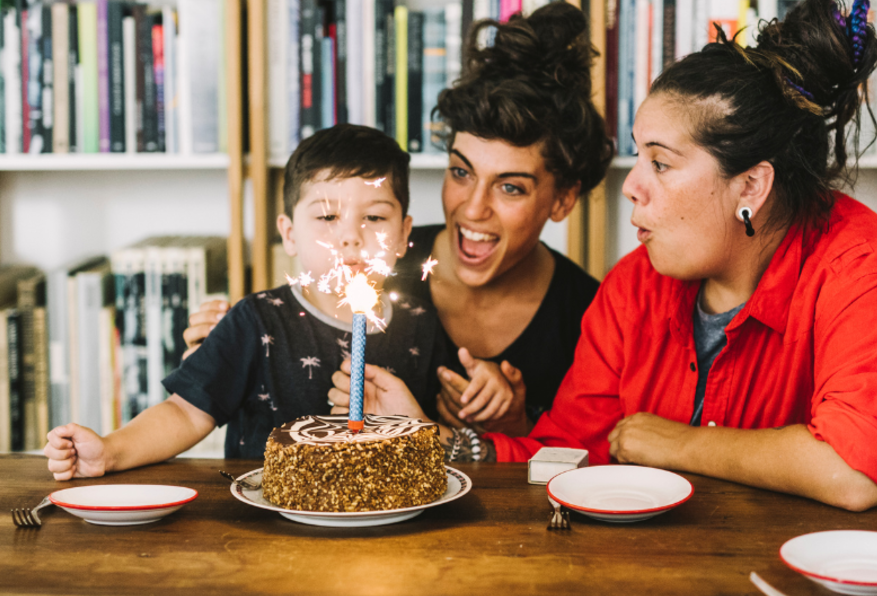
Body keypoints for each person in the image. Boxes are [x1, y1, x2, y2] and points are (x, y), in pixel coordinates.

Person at [326, 0, 877, 511]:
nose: (631, 184)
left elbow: (855, 470)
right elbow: (567, 453)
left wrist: (673, 442)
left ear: (752, 186)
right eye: (637, 156)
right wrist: (439, 442)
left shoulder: (868, 271)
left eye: (660, 162)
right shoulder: (633, 287)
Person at [184, 2, 614, 437]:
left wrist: (515, 427)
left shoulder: (588, 318)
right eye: (461, 173)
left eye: (510, 187)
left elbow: (574, 466)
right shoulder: (372, 255)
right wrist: (217, 354)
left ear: (562, 199)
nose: (473, 208)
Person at [44, 124, 447, 479]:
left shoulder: (422, 323)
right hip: (267, 529)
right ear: (289, 234)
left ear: (402, 235)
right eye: (327, 218)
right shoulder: (256, 321)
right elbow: (185, 412)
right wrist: (110, 452)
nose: (350, 237)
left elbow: (442, 432)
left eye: (374, 218)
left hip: (389, 528)